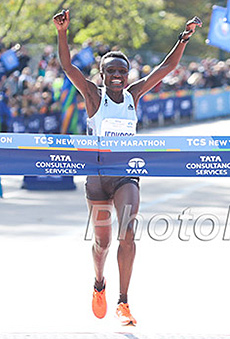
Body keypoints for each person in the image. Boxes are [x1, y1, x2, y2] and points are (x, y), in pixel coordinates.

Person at [53, 10, 202, 325]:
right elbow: (67, 67)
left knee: (129, 231)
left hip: (125, 175)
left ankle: (124, 302)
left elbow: (168, 67)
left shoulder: (135, 95)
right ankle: (99, 283)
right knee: (102, 243)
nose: (118, 76)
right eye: (111, 71)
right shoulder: (94, 96)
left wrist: (184, 37)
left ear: (128, 73)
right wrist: (62, 32)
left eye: (122, 70)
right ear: (103, 75)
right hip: (97, 178)